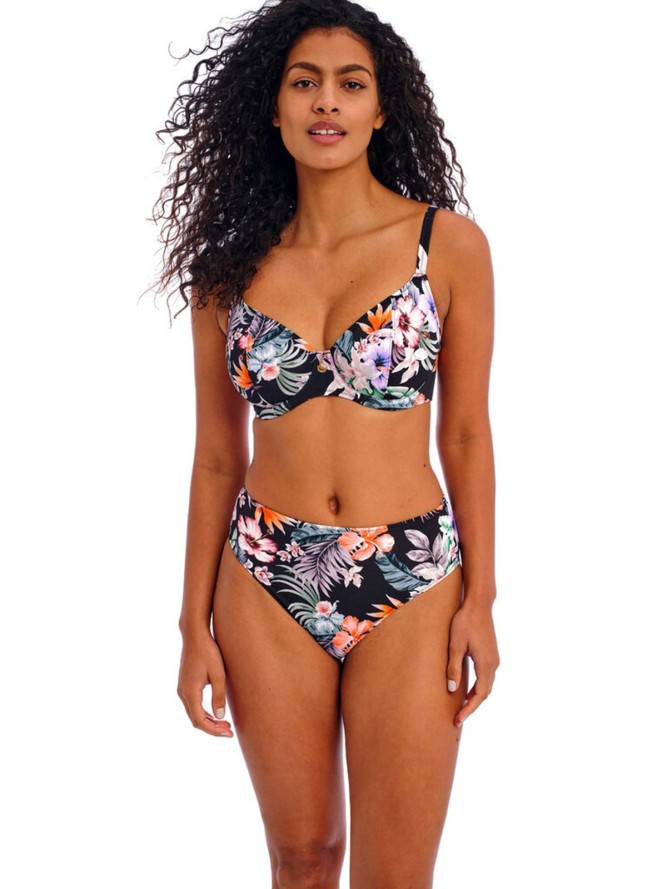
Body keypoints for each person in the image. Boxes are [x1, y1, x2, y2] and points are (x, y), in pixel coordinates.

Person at [150, 0, 500, 884]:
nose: (326, 102)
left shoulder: (446, 246)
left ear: (381, 109)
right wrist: (191, 623)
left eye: (351, 84)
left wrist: (482, 600)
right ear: (272, 109)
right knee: (301, 857)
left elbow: (465, 432)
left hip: (410, 573)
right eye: (303, 83)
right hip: (265, 570)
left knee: (395, 874)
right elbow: (216, 455)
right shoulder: (227, 269)